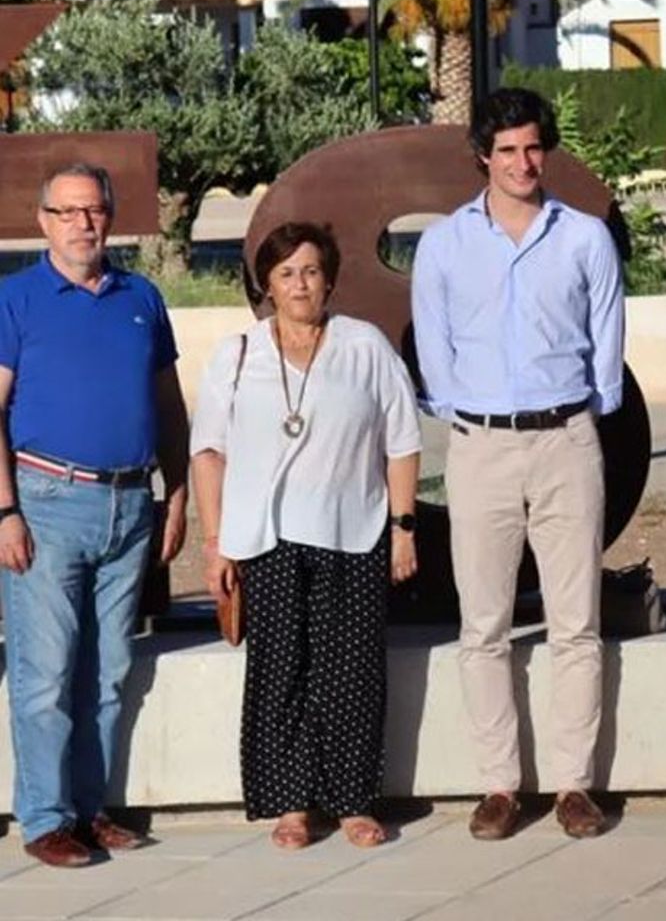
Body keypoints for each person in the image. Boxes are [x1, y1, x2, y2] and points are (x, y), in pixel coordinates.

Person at [411, 87, 624, 841]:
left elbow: (607, 346)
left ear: (547, 150)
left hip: (566, 438)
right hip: (480, 446)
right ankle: (499, 784)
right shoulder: (443, 245)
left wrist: (573, 415)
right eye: (507, 151)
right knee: (485, 625)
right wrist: (464, 409)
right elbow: (433, 349)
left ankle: (572, 785)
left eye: (534, 148)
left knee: (575, 622)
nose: (523, 163)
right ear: (483, 157)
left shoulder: (585, 238)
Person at [191, 222, 420, 850]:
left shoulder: (364, 345)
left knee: (352, 673)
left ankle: (351, 802)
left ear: (330, 280)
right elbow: (208, 452)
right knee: (280, 672)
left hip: (353, 530)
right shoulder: (238, 353)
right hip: (265, 540)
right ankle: (291, 806)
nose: (300, 284)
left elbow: (401, 442)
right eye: (287, 272)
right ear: (267, 282)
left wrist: (403, 529)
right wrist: (215, 545)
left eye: (312, 271)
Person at [0, 164, 188, 867]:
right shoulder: (15, 300)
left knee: (109, 671)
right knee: (45, 672)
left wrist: (176, 495)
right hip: (45, 501)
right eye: (68, 211)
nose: (83, 223)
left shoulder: (141, 296)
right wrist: (4, 511)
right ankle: (46, 818)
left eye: (95, 211)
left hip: (130, 504)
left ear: (110, 217)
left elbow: (168, 405)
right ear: (43, 219)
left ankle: (90, 808)